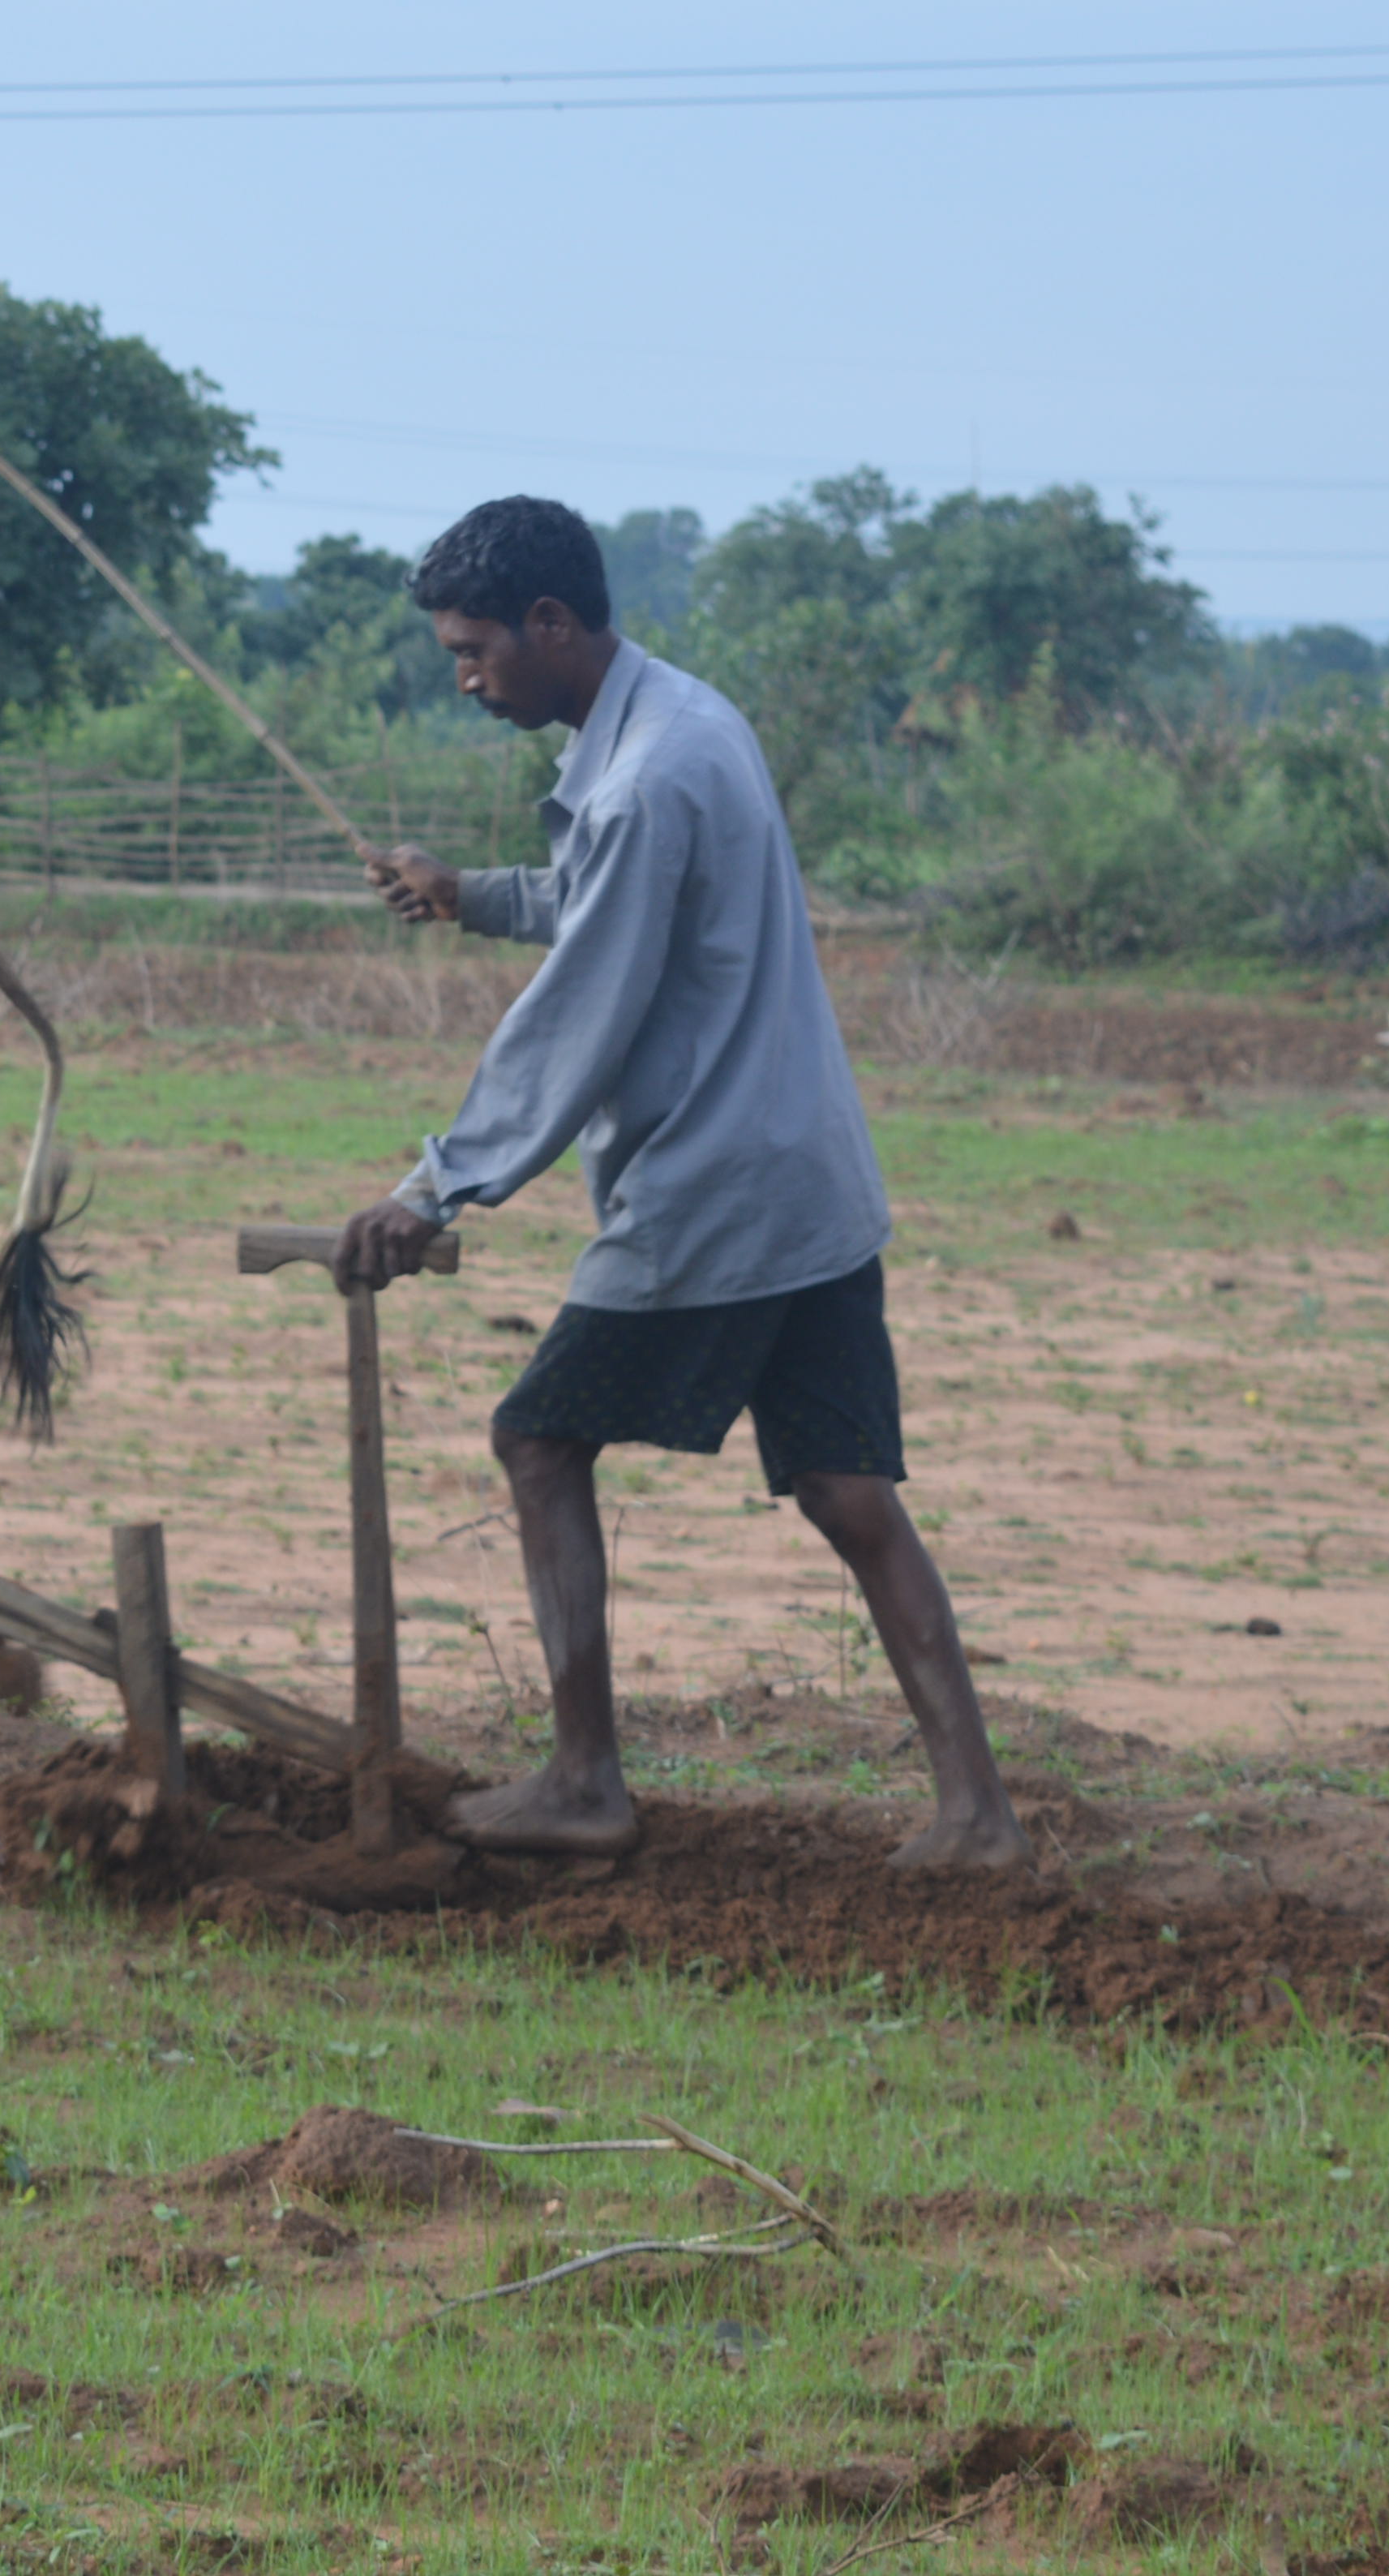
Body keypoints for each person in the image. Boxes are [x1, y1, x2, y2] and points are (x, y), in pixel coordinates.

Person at [331, 496, 1027, 1867]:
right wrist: (471, 891)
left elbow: (581, 1006)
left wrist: (439, 1185)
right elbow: (605, 899)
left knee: (538, 1441)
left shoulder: (649, 776)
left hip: (718, 1193)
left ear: (551, 623)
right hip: (807, 1173)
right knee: (845, 1490)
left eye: (476, 650)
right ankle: (977, 1815)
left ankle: (585, 1782)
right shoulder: (675, 721)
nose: (464, 675)